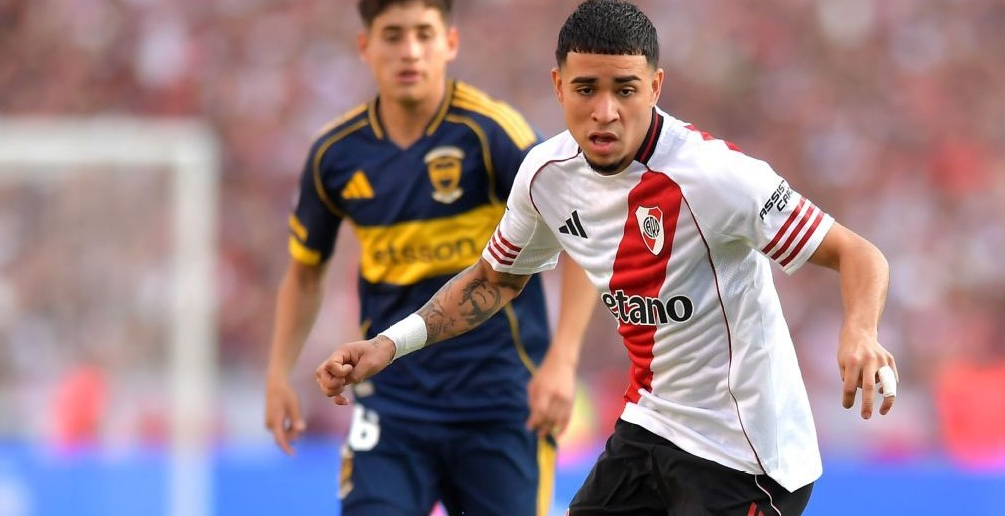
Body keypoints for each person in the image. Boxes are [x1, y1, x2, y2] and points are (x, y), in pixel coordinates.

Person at [315, 0, 899, 514]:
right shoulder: (545, 176)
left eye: (625, 89)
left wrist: (860, 330)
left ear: (656, 86)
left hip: (749, 453)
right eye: (586, 89)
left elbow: (859, 253)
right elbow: (494, 279)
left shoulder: (718, 177)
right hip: (654, 425)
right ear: (558, 85)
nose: (605, 111)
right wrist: (388, 345)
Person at [263, 1, 595, 515]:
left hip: (500, 403)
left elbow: (579, 238)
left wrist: (563, 360)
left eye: (424, 33)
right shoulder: (336, 155)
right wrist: (278, 373)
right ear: (365, 46)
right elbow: (306, 273)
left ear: (450, 43)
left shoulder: (494, 134)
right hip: (392, 401)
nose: (410, 51)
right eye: (393, 35)